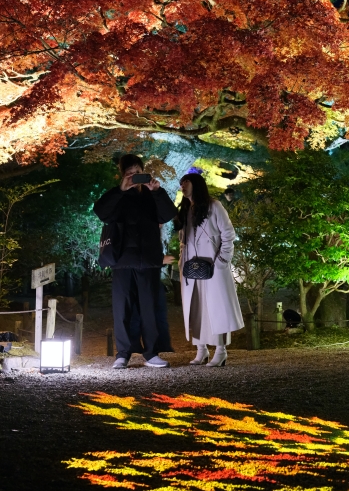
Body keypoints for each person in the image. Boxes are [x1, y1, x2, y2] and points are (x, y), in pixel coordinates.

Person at [94, 154, 177, 369]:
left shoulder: (152, 196)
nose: (134, 177)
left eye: (137, 173)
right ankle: (123, 354)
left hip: (149, 260)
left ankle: (151, 353)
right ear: (122, 176)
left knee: (149, 309)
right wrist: (120, 190)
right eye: (129, 174)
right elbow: (101, 212)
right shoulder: (119, 196)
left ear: (143, 171)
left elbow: (168, 214)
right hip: (122, 261)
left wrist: (157, 191)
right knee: (122, 309)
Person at [166, 171, 243, 367]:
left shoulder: (214, 205)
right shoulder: (185, 209)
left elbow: (228, 234)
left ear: (196, 184)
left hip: (213, 266)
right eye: (181, 183)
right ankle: (201, 350)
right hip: (191, 267)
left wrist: (221, 262)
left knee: (217, 308)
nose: (182, 186)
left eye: (187, 182)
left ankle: (221, 351)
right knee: (195, 308)